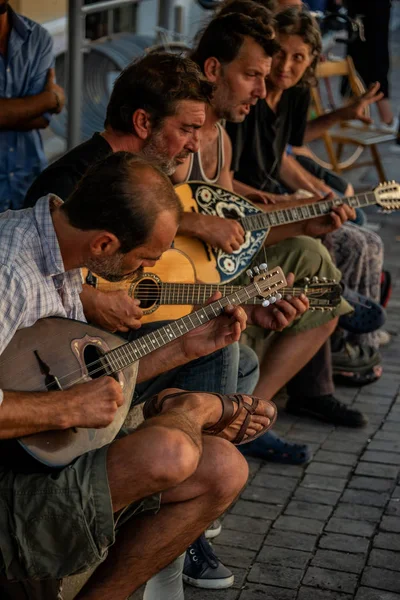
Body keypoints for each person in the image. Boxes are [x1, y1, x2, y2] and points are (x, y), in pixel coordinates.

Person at [23, 51, 308, 595]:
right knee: (216, 345)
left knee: (220, 323)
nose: (196, 144)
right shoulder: (79, 179)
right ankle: (183, 474)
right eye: (187, 128)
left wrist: (244, 294)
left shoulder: (153, 179)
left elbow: (156, 281)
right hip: (69, 357)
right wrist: (90, 296)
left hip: (111, 339)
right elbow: (50, 274)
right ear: (142, 122)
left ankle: (187, 472)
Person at [0, 152, 280, 599]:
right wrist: (68, 406)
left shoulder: (60, 250)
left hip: (43, 458)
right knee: (168, 452)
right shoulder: (10, 270)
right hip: (12, 487)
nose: (149, 269)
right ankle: (188, 408)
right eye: (147, 257)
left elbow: (85, 373)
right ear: (105, 244)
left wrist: (187, 346)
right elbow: (72, 398)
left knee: (224, 467)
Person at [226, 5, 385, 385]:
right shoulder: (247, 100)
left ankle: (355, 338)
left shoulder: (293, 93)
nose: (285, 65)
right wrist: (294, 201)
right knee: (351, 241)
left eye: (299, 57)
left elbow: (284, 153)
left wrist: (322, 191)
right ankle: (344, 337)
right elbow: (227, 183)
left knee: (359, 223)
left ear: (312, 59)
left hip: (273, 193)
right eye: (279, 53)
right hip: (255, 203)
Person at [0, 0, 65, 210]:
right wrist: (50, 99)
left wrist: (35, 108)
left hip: (28, 182)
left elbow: (41, 118)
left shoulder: (37, 37)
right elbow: (42, 108)